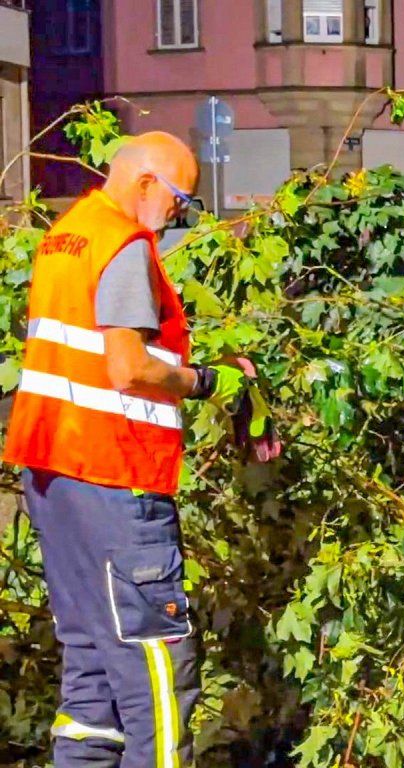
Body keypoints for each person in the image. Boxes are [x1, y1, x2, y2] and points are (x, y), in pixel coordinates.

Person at [1, 131, 277, 767]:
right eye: (181, 198)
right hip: (113, 475)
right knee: (156, 667)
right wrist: (208, 382)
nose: (182, 213)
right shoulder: (124, 246)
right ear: (147, 182)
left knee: (91, 665)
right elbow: (127, 368)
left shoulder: (68, 233)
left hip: (54, 473)